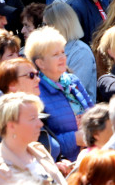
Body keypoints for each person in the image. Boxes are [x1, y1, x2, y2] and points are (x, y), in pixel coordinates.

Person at [27, 26, 94, 161]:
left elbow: (93, 112)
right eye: (55, 55)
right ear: (40, 63)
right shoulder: (35, 92)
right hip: (63, 164)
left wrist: (90, 124)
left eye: (63, 52)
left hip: (90, 155)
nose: (62, 57)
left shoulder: (72, 81)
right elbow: (40, 142)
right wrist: (75, 138)